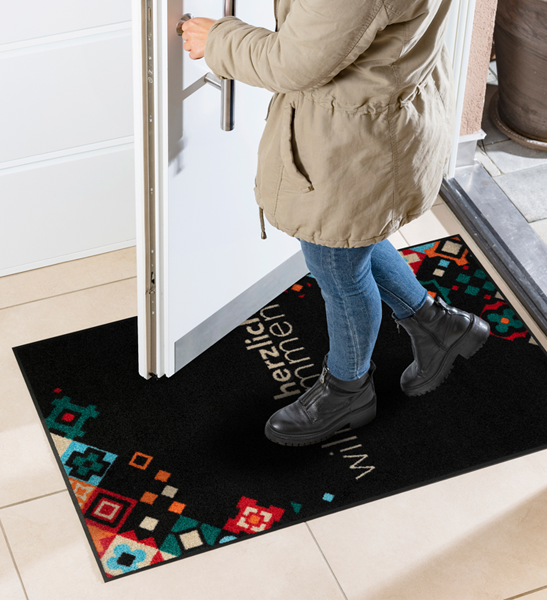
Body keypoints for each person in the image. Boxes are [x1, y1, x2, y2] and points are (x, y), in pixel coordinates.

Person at [180, 1, 489, 447]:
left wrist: (218, 40)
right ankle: (437, 326)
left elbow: (293, 62)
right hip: (378, 117)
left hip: (353, 136)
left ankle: (349, 390)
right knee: (347, 241)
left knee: (336, 262)